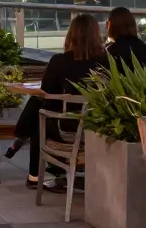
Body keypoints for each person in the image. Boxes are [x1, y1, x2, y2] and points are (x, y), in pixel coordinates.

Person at [15, 13, 108, 190]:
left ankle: (34, 175)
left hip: (64, 129)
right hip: (97, 128)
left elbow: (46, 90)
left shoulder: (60, 61)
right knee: (41, 110)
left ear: (71, 35)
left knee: (39, 113)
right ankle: (56, 171)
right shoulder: (107, 61)